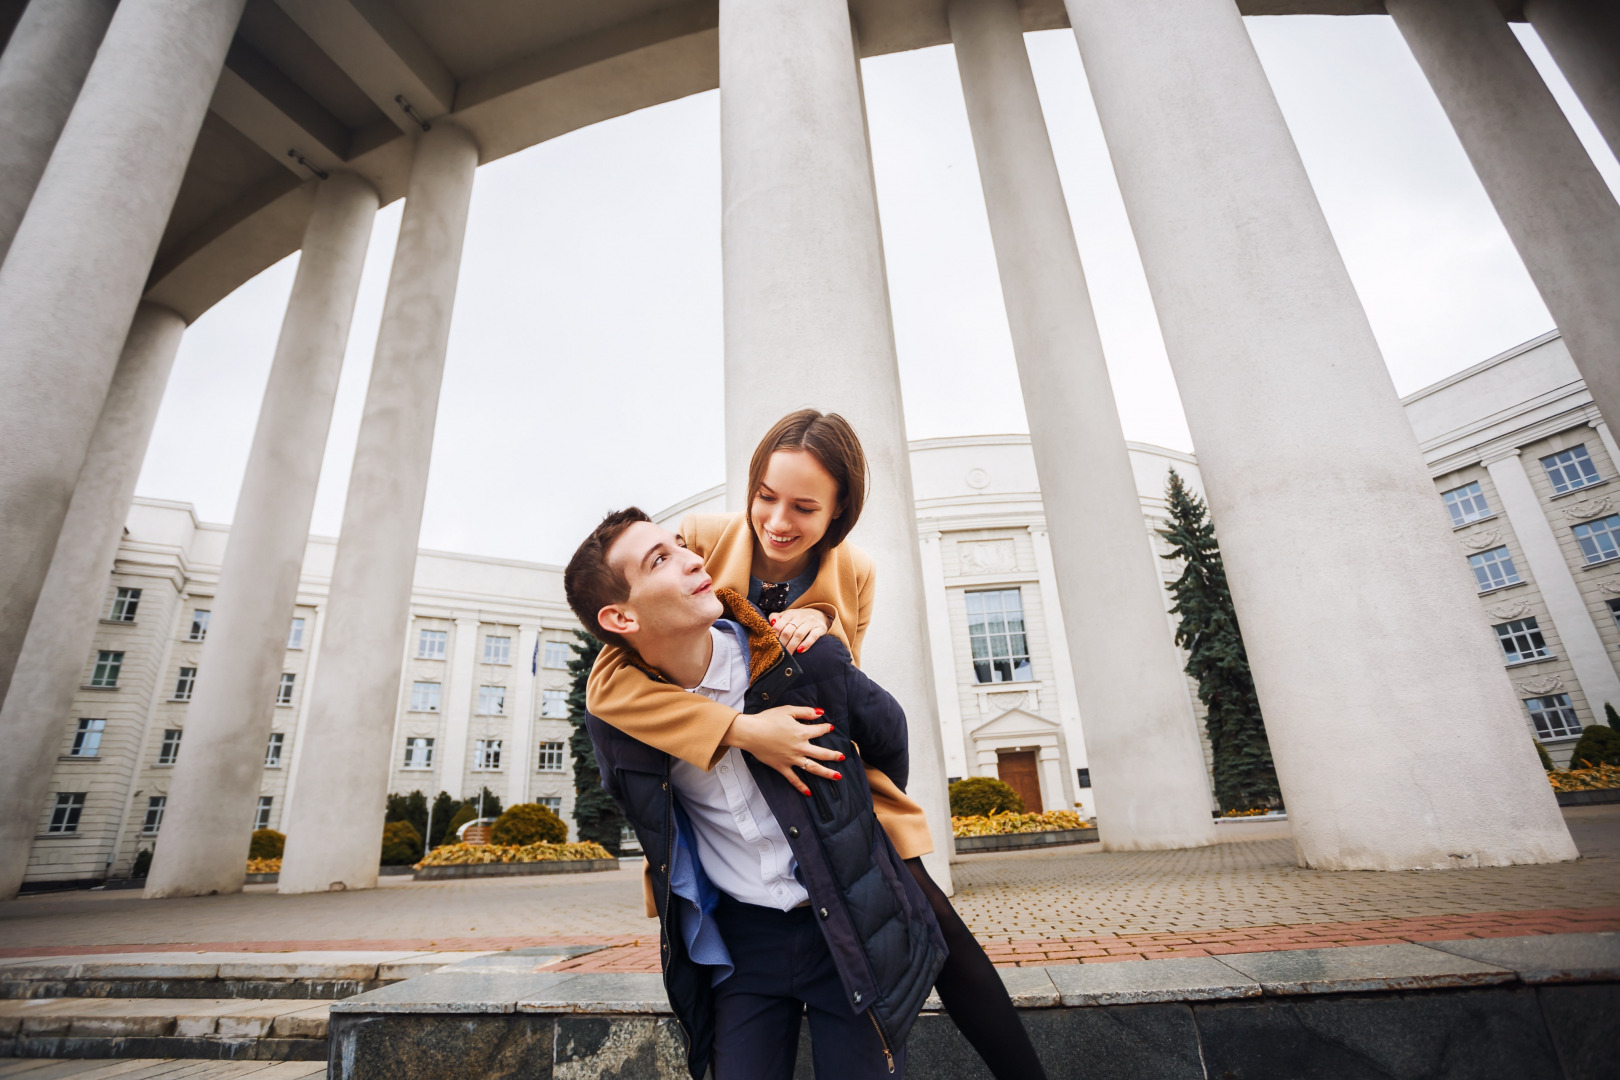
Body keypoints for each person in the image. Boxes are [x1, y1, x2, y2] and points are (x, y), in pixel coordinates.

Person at [588, 409, 1049, 1080]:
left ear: (838, 515)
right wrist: (739, 732)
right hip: (740, 775)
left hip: (828, 780)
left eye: (804, 507)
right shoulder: (702, 540)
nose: (777, 521)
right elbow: (608, 687)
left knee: (937, 929)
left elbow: (845, 695)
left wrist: (825, 619)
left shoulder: (854, 572)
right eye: (766, 497)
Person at [565, 508, 946, 1080]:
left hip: (845, 930)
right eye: (661, 559)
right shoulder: (621, 720)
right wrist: (740, 732)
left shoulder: (800, 657)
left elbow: (888, 739)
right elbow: (648, 815)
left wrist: (853, 825)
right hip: (742, 951)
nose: (696, 558)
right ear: (620, 616)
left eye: (677, 543)